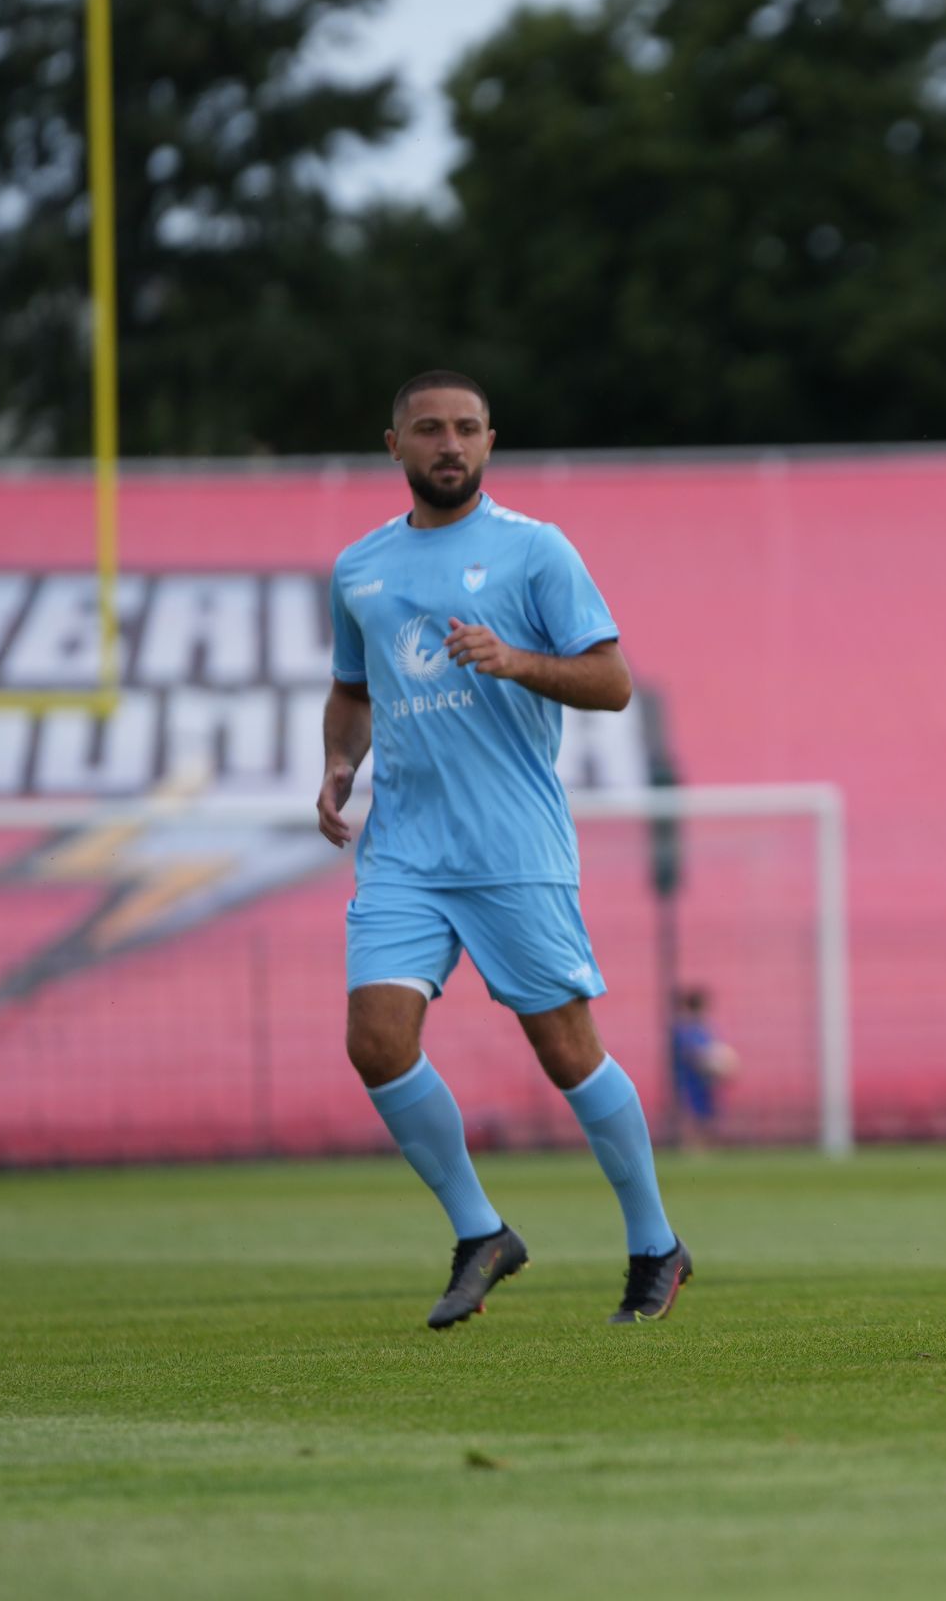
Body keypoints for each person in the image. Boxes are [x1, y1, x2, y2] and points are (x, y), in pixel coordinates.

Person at [319, 370, 693, 1329]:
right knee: (375, 1041)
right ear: (393, 444)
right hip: (403, 849)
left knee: (566, 1052)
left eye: (468, 429)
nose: (450, 444)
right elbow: (354, 689)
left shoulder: (535, 552)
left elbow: (610, 682)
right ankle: (481, 1231)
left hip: (512, 847)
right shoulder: (358, 568)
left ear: (490, 442)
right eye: (430, 429)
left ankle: (655, 1242)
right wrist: (336, 766)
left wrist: (515, 660)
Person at [668, 985, 737, 1143]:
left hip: (704, 1079)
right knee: (692, 1112)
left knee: (706, 1114)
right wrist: (712, 1064)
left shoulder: (705, 1027)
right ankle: (690, 1145)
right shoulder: (685, 1028)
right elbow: (691, 1054)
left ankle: (703, 1144)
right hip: (690, 1077)